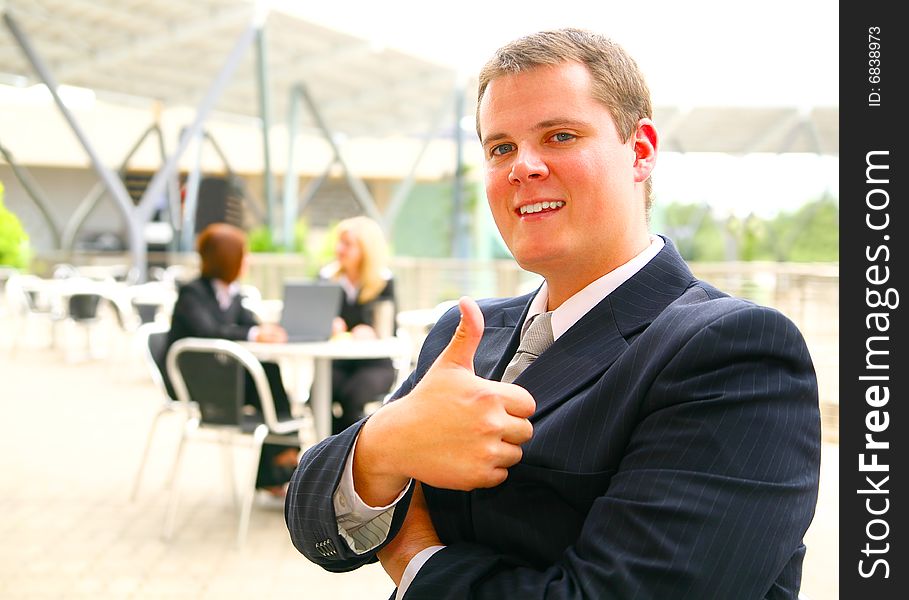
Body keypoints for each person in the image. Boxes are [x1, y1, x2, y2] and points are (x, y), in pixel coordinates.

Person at [285, 28, 821, 599]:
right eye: (500, 148)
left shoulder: (732, 352)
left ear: (640, 152)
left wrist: (416, 560)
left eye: (560, 136)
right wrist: (385, 444)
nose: (523, 166)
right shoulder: (466, 334)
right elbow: (314, 524)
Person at [162, 222, 298, 496]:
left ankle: (281, 456)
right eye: (243, 254)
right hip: (198, 383)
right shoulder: (193, 293)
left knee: (269, 373)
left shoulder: (233, 295)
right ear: (227, 258)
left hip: (225, 377)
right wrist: (253, 332)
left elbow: (249, 324)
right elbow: (207, 330)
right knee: (268, 379)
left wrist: (264, 330)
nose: (247, 260)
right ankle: (286, 452)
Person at [319, 216, 397, 434]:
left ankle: (348, 455)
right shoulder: (327, 278)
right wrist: (328, 325)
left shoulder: (384, 281)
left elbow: (390, 327)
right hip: (336, 362)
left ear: (365, 249)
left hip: (374, 363)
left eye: (347, 244)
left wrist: (373, 332)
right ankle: (330, 452)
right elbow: (316, 321)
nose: (339, 249)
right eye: (339, 242)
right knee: (320, 394)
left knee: (353, 396)